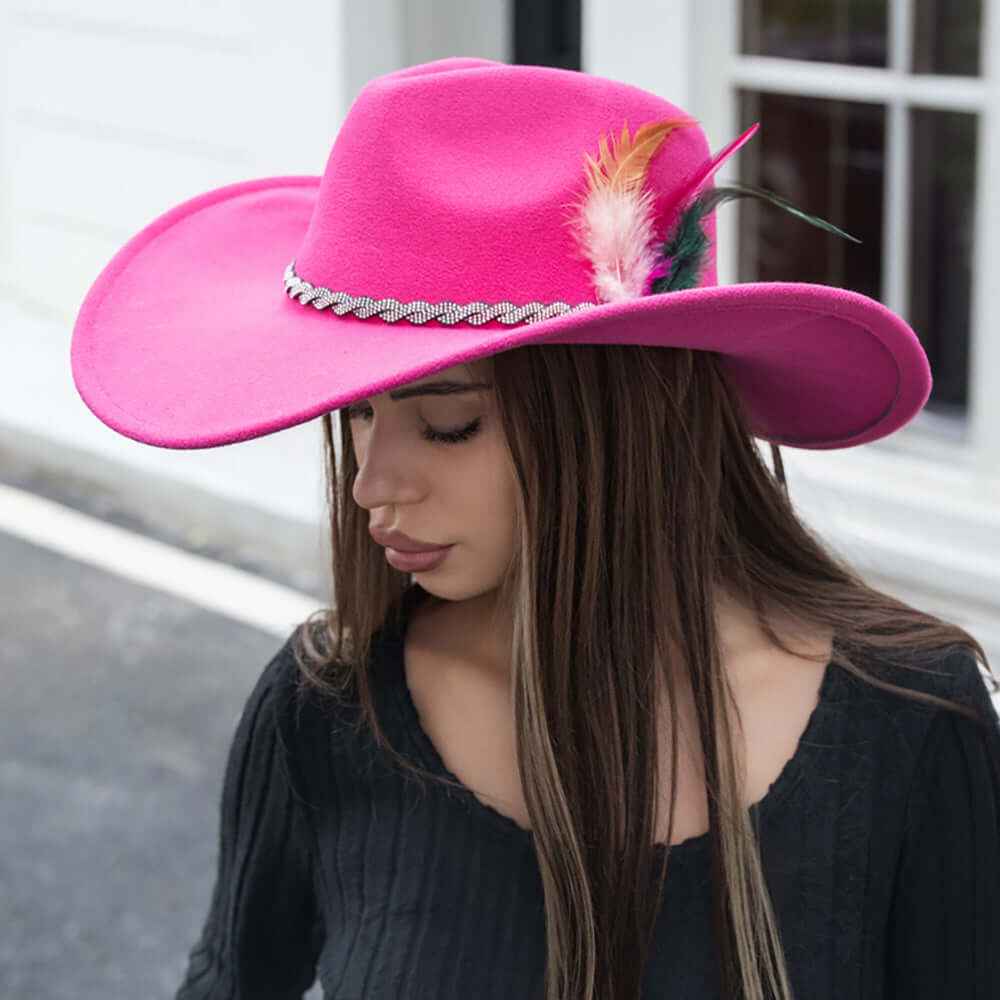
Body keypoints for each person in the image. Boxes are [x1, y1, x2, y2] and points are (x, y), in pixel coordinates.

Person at [70, 57, 999, 1000]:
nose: (370, 485)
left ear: (625, 424)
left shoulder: (909, 711)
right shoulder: (327, 711)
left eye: (447, 423)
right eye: (356, 412)